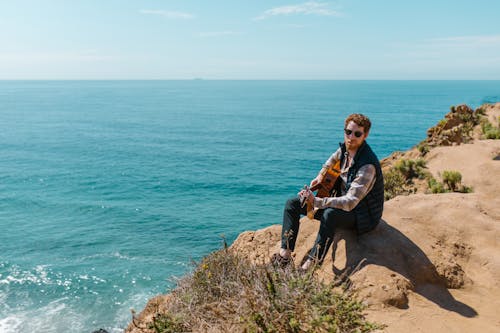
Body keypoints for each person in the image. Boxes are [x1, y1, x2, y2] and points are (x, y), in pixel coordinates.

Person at [272, 113, 384, 270]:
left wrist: (317, 202)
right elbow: (331, 160)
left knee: (329, 214)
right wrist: (321, 175)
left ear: (365, 135)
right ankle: (284, 255)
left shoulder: (367, 165)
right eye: (348, 132)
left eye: (357, 134)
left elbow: (350, 202)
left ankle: (311, 263)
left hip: (362, 215)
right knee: (292, 203)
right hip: (341, 205)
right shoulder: (346, 149)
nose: (351, 137)